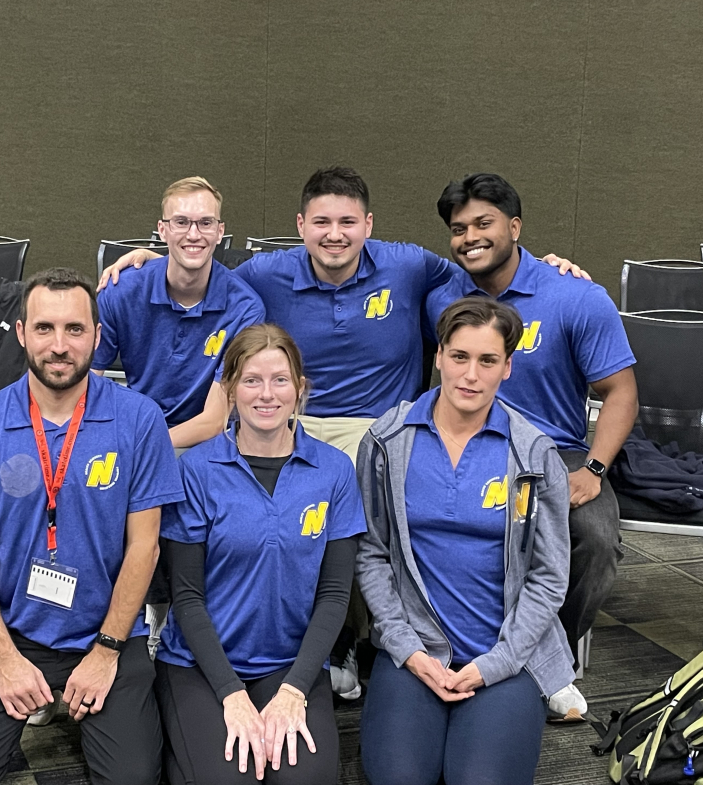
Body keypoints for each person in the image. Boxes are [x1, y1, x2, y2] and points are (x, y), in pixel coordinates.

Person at [100, 166, 584, 698]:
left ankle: (347, 639)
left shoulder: (409, 265)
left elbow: (483, 268)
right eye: (322, 222)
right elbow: (201, 262)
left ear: (369, 224)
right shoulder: (264, 274)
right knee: (221, 489)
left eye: (348, 222)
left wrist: (543, 269)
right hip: (289, 414)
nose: (335, 233)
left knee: (349, 485)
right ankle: (217, 623)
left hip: (373, 424)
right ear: (301, 225)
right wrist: (148, 258)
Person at [0, 268, 185, 785]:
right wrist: (4, 658)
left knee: (135, 779)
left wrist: (107, 651)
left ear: (96, 335)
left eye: (75, 329)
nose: (60, 345)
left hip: (107, 632)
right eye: (44, 329)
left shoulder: (139, 420)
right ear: (22, 333)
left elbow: (145, 548)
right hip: (13, 631)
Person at [425, 172, 638, 720]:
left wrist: (592, 468)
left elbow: (621, 394)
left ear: (514, 227)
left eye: (483, 224)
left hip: (555, 452)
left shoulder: (574, 296)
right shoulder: (442, 298)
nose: (469, 237)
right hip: (463, 445)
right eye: (458, 228)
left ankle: (549, 660)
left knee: (592, 536)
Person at [355, 296, 574, 785]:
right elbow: (371, 554)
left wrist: (496, 663)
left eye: (487, 361)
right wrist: (405, 647)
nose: (470, 375)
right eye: (459, 357)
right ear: (438, 357)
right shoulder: (386, 442)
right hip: (414, 650)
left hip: (505, 653)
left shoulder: (535, 456)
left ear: (507, 367)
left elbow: (548, 575)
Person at [154, 323, 366, 784]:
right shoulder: (195, 470)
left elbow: (333, 597)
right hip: (201, 664)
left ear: (299, 389)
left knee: (302, 779)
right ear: (229, 390)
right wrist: (232, 695)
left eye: (280, 380)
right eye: (251, 380)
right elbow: (186, 598)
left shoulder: (334, 471)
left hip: (290, 664)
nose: (266, 394)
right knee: (230, 778)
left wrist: (294, 690)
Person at [93, 177, 265, 449]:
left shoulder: (245, 308)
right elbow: (88, 386)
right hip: (133, 430)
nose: (194, 234)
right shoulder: (119, 291)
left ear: (220, 232)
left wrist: (143, 449)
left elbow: (213, 420)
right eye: (181, 222)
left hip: (204, 444)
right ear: (162, 230)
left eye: (205, 223)